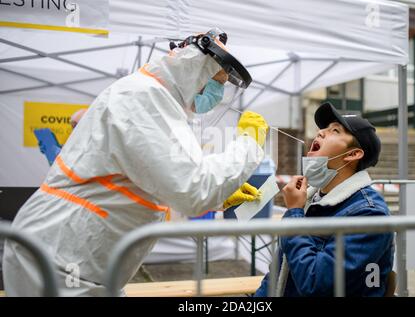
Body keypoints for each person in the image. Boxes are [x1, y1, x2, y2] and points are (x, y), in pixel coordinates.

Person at [2, 29, 268, 296]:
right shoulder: (143, 98)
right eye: (217, 81)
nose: (217, 93)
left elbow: (155, 183)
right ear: (195, 69)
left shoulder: (157, 100)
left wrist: (221, 196)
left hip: (79, 260)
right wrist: (249, 144)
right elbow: (193, 190)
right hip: (61, 259)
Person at [255, 102, 394, 297]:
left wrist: (295, 213)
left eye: (335, 131)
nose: (320, 133)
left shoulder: (369, 214)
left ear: (353, 154)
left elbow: (316, 285)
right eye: (323, 129)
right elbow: (280, 272)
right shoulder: (312, 198)